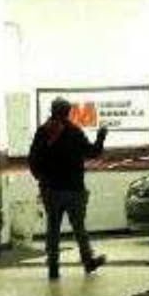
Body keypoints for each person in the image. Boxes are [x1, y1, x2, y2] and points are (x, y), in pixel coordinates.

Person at [28, 97, 108, 280]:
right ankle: (88, 262)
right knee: (79, 228)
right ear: (67, 112)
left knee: (53, 229)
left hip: (51, 190)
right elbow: (93, 152)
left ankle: (53, 268)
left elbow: (33, 159)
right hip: (74, 189)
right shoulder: (74, 132)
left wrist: (42, 180)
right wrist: (101, 136)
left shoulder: (43, 132)